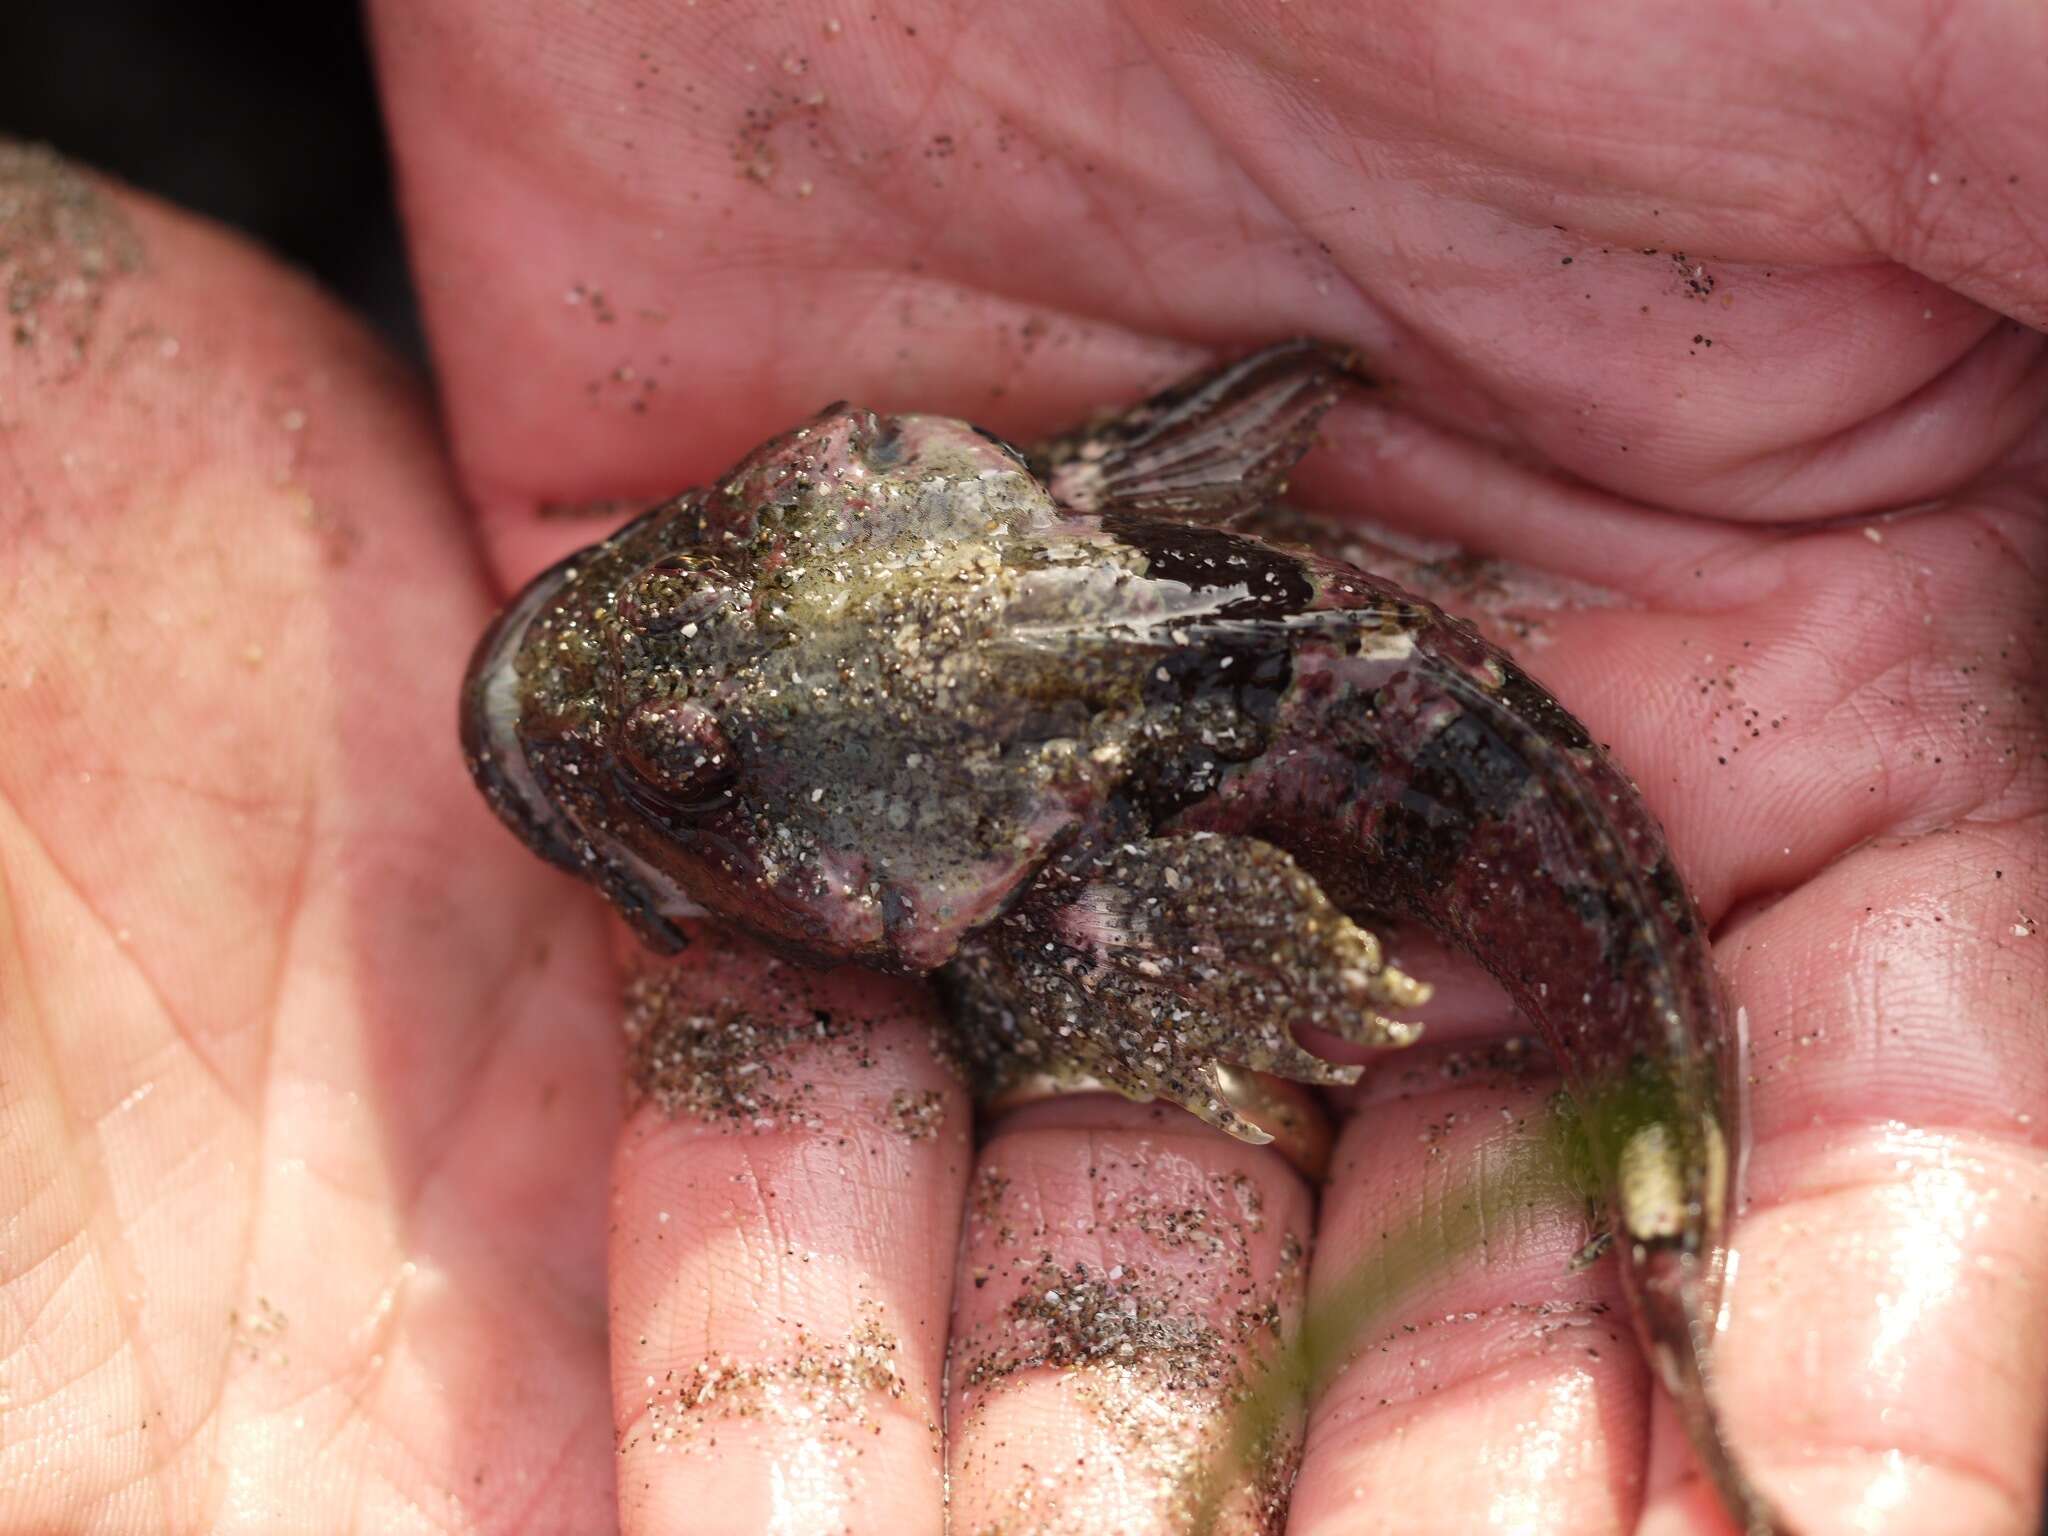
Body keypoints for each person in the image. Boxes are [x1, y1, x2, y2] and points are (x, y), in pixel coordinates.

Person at [3, 4, 2043, 1532]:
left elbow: (1259, 954)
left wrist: (1189, 996)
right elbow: (1247, 445)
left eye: (697, 775)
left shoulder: (1081, 849)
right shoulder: (1078, 512)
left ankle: (1689, 1320)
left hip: (1537, 857)